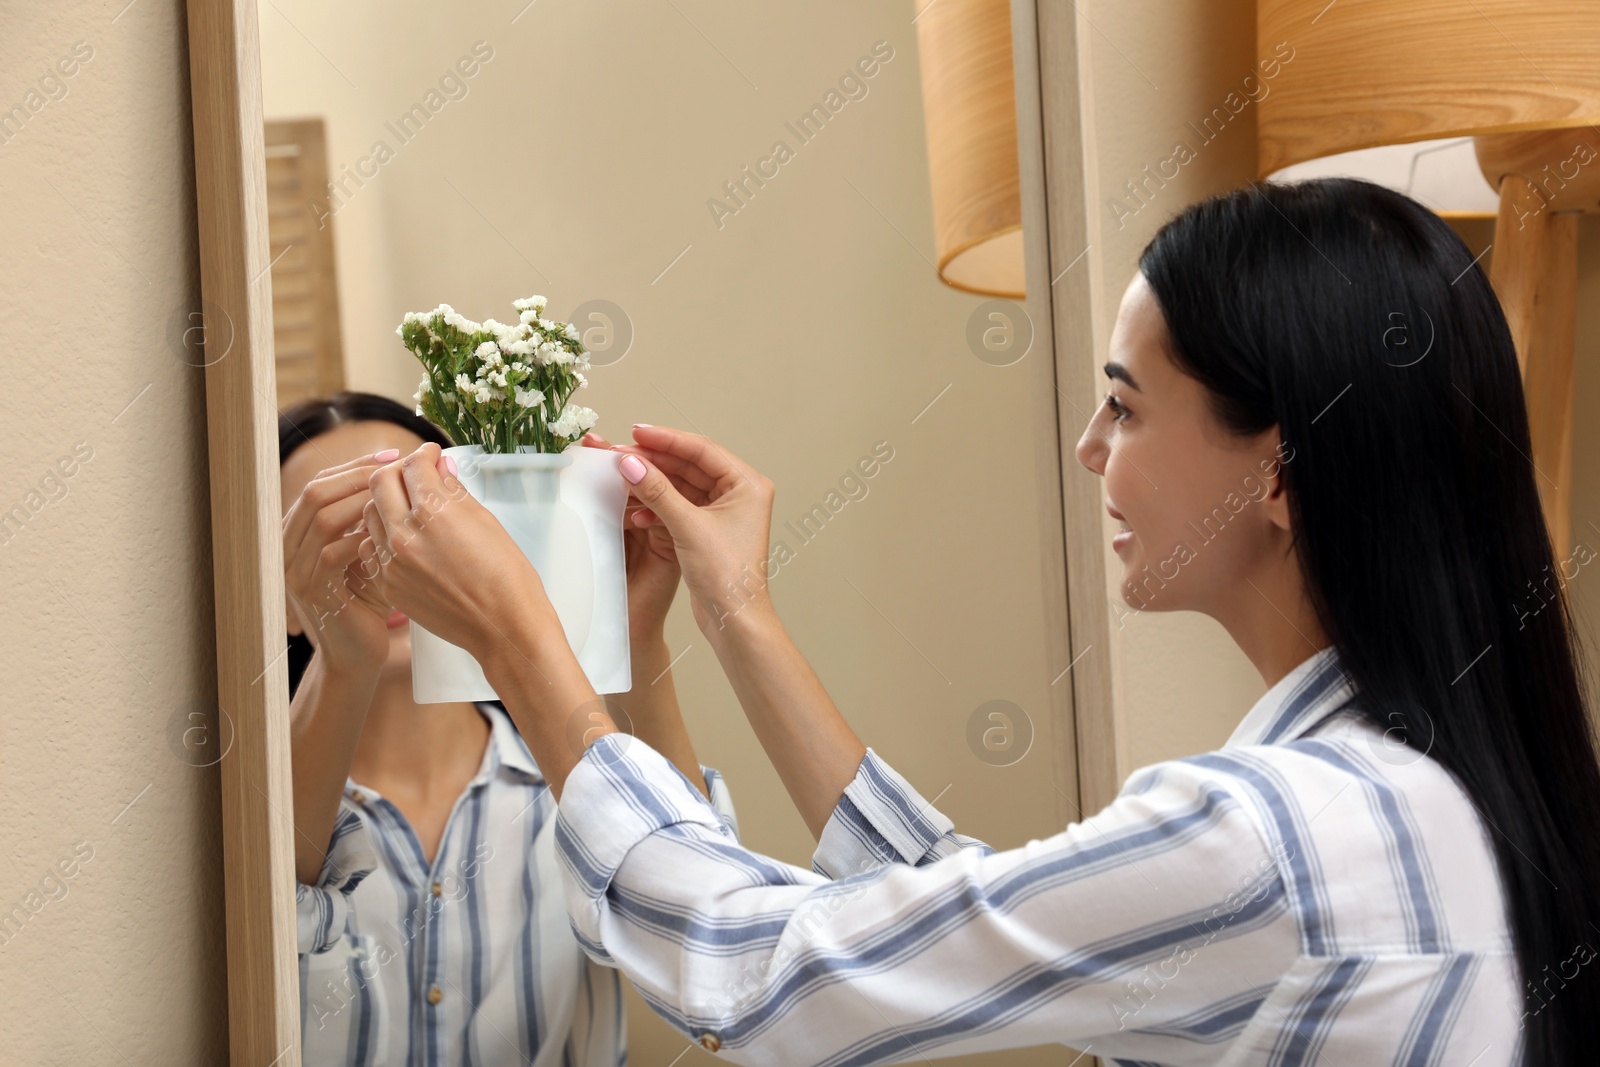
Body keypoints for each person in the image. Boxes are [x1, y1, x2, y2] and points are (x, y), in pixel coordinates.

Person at [352, 179, 1600, 1064]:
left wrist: (530, 649)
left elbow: (764, 977)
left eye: (1125, 406)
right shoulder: (1402, 797)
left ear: (1274, 471)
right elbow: (976, 917)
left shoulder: (1275, 834)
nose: (1088, 447)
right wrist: (735, 611)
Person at [278, 391, 736, 1065]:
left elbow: (713, 947)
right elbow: (258, 946)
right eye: (339, 522)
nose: (384, 552)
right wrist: (345, 662)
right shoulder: (252, 817)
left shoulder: (572, 783)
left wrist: (636, 638)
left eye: (409, 507)